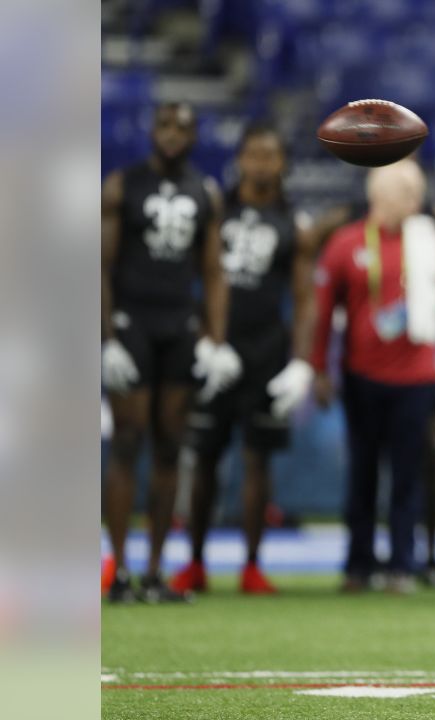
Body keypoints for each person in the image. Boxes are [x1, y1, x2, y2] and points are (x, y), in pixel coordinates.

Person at [310, 159, 435, 594]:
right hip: (361, 375)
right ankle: (358, 565)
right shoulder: (345, 243)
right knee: (362, 472)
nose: (417, 202)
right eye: (408, 193)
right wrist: (317, 367)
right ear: (381, 196)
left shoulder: (428, 241)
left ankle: (401, 563)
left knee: (408, 475)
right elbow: (323, 313)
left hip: (416, 377)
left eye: (417, 193)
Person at [169, 123, 317, 596]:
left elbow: (304, 296)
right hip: (217, 345)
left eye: (269, 155)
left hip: (265, 348)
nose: (260, 163)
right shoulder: (216, 210)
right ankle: (194, 562)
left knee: (258, 460)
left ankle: (252, 565)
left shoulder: (294, 221)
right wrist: (205, 340)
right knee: (205, 456)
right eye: (252, 154)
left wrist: (301, 362)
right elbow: (188, 272)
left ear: (282, 163)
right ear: (239, 158)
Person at [102, 102, 240, 603]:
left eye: (183, 127)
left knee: (168, 447)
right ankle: (118, 571)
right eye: (164, 125)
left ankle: (156, 572)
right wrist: (105, 338)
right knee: (126, 442)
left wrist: (216, 339)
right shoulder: (122, 185)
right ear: (152, 130)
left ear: (195, 135)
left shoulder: (205, 192)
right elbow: (100, 265)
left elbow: (213, 271)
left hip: (179, 325)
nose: (173, 135)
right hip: (132, 323)